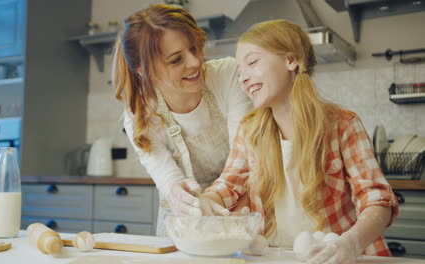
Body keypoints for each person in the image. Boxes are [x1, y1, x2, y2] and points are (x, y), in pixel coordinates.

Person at [198, 20, 399, 263]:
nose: (243, 78)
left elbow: (376, 198)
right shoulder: (249, 131)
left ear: (291, 60)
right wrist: (201, 203)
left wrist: (350, 243)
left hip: (341, 258)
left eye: (252, 62)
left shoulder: (342, 125)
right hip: (276, 257)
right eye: (240, 71)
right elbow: (228, 187)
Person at [112, 4, 253, 236]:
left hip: (240, 206)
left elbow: (244, 157)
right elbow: (170, 180)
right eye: (176, 60)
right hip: (183, 223)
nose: (195, 62)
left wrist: (226, 207)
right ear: (143, 71)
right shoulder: (140, 112)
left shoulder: (228, 76)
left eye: (194, 48)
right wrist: (182, 198)